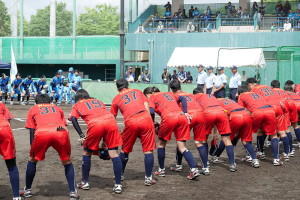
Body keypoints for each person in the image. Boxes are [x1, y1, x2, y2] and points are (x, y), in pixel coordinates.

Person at [24, 94, 79, 199]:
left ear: (36, 102)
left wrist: (32, 146)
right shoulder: (57, 108)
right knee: (67, 161)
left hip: (42, 133)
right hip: (60, 131)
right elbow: (63, 123)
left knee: (32, 160)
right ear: (50, 102)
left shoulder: (33, 108)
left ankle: (27, 190)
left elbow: (32, 129)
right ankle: (73, 192)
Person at [69, 89, 123, 193]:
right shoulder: (98, 101)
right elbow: (103, 117)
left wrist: (81, 135)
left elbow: (73, 119)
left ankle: (85, 182)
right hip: (111, 122)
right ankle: (118, 185)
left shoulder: (78, 104)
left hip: (95, 124)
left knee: (86, 152)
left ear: (79, 98)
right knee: (114, 154)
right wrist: (104, 141)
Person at [148, 85, 200, 179]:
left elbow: (151, 111)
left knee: (161, 144)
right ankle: (193, 169)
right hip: (182, 117)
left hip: (169, 117)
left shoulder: (152, 96)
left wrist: (152, 122)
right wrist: (185, 112)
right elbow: (183, 99)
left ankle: (161, 170)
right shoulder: (169, 93)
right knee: (182, 146)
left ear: (150, 93)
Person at [111, 79, 156, 186]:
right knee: (148, 150)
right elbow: (147, 107)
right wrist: (150, 123)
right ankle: (148, 178)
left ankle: (120, 174)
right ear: (128, 85)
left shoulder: (116, 98)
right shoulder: (138, 91)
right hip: (146, 118)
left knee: (125, 150)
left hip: (131, 121)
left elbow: (112, 116)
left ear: (118, 88)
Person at [169, 80, 207, 174]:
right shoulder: (190, 94)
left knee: (180, 141)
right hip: (200, 114)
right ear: (180, 86)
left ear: (171, 89)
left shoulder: (174, 95)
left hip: (189, 116)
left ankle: (179, 165)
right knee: (199, 142)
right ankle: (206, 168)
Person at [193, 88, 236, 172]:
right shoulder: (211, 96)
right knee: (227, 139)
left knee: (203, 139)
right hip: (221, 112)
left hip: (208, 113)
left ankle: (205, 164)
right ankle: (232, 164)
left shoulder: (195, 97)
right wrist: (215, 132)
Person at [239, 79, 280, 166]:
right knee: (274, 135)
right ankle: (276, 159)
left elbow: (242, 110)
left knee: (249, 133)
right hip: (271, 110)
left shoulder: (249, 92)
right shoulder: (265, 88)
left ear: (250, 84)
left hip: (258, 112)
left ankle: (252, 155)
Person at [249, 78, 290, 161]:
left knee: (261, 131)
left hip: (269, 109)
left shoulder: (254, 89)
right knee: (281, 132)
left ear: (251, 84)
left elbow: (255, 101)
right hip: (279, 107)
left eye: (248, 85)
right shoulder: (268, 87)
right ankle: (286, 153)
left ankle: (261, 152)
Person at [213, 98, 260, 168]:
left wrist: (215, 133)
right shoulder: (229, 100)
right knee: (246, 141)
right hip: (246, 115)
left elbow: (218, 118)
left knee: (226, 138)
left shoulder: (216, 103)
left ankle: (217, 157)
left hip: (235, 116)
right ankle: (255, 160)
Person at [0, 103, 22, 200]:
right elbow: (8, 119)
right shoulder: (1, 104)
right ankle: (16, 196)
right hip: (4, 128)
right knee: (11, 164)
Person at [271, 80, 296, 157]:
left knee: (281, 131)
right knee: (287, 129)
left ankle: (287, 151)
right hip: (289, 107)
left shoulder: (271, 92)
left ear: (272, 86)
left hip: (281, 108)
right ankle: (290, 150)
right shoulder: (283, 91)